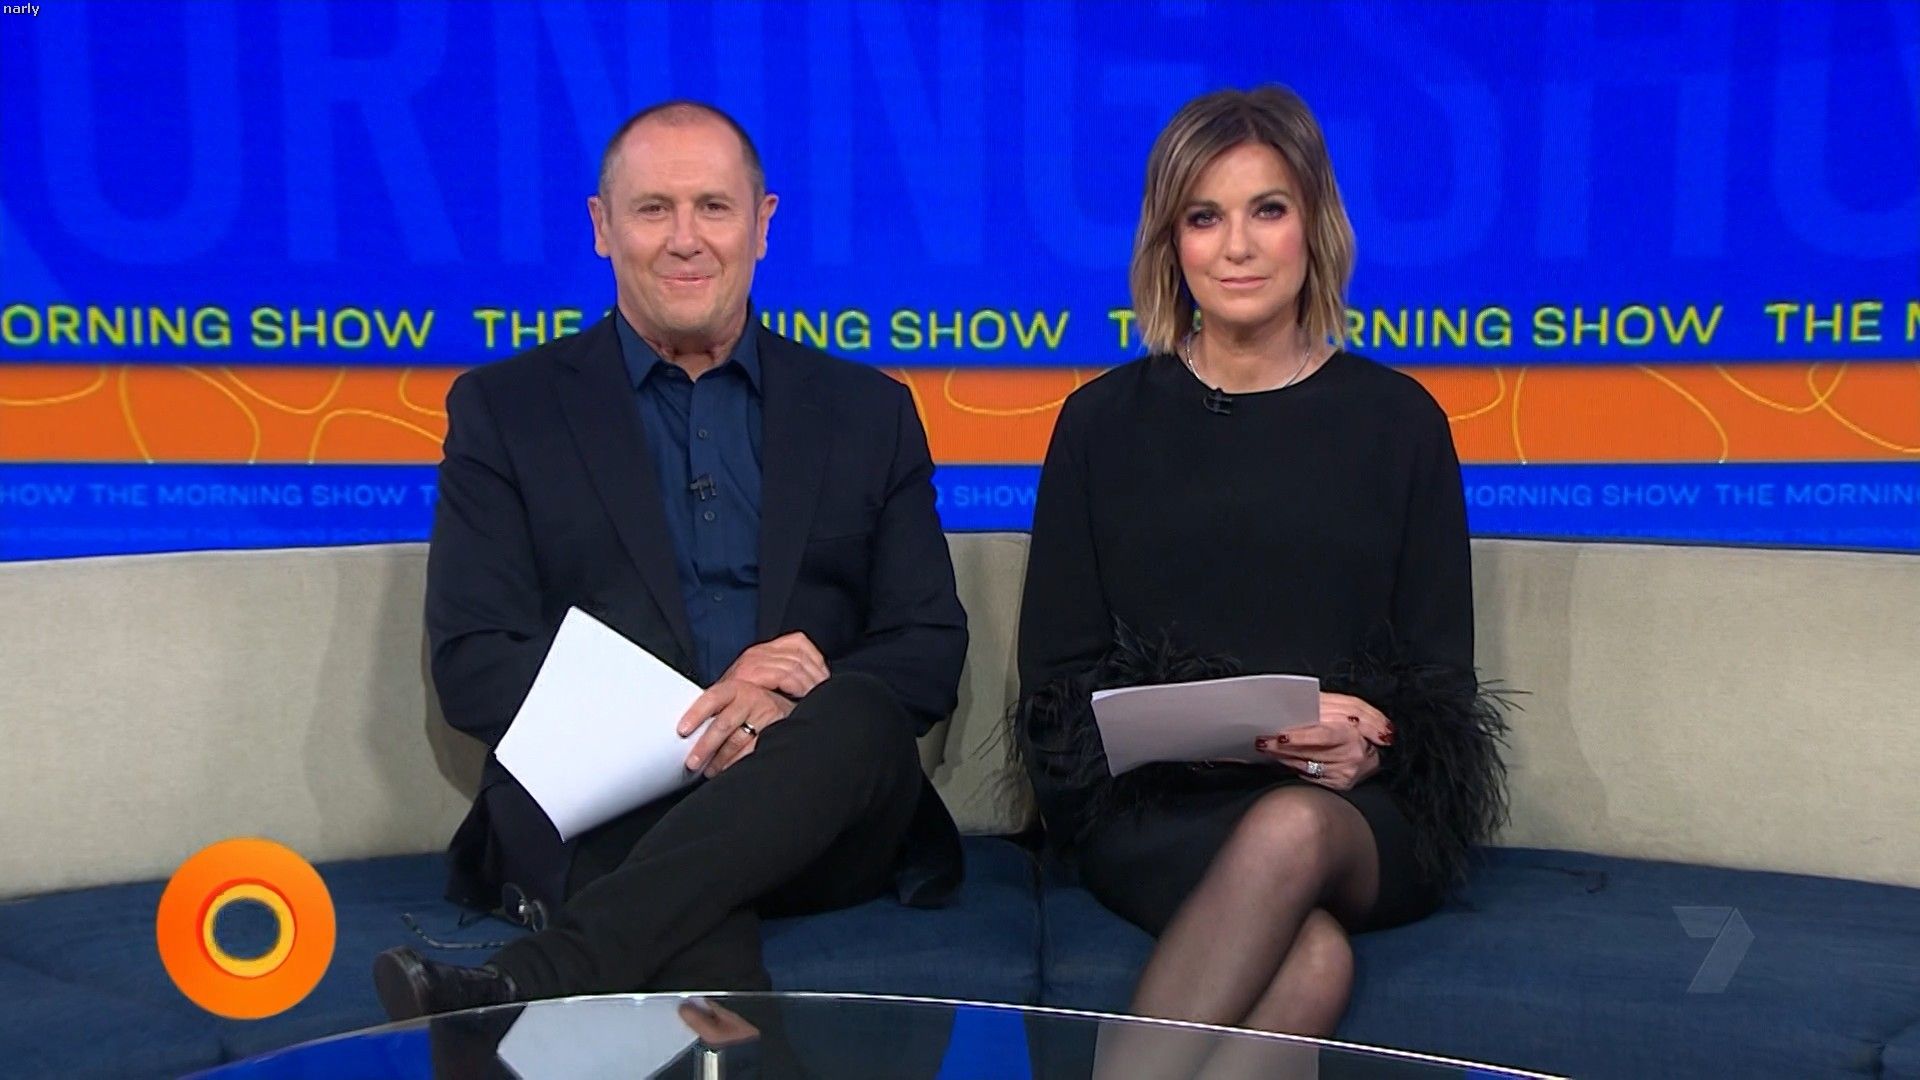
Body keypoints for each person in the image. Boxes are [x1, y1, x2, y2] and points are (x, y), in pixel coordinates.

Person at [373, 99, 967, 1019]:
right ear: (602, 227)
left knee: (855, 710)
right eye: (653, 209)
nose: (685, 239)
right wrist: (684, 727)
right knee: (687, 896)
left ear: (762, 224)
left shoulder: (867, 412)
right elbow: (474, 662)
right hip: (611, 801)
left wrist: (781, 705)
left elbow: (927, 648)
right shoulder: (507, 412)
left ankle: (521, 987)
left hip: (820, 802)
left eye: (713, 208)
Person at [1015, 85, 1509, 1054]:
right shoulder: (1100, 425)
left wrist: (1373, 750)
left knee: (1291, 826)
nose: (1237, 247)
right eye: (1205, 217)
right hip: (1158, 810)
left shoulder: (1399, 423)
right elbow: (1057, 694)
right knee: (1312, 960)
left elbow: (1440, 684)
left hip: (1355, 814)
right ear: (1170, 243)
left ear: (1313, 225)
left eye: (1267, 210)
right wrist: (1236, 734)